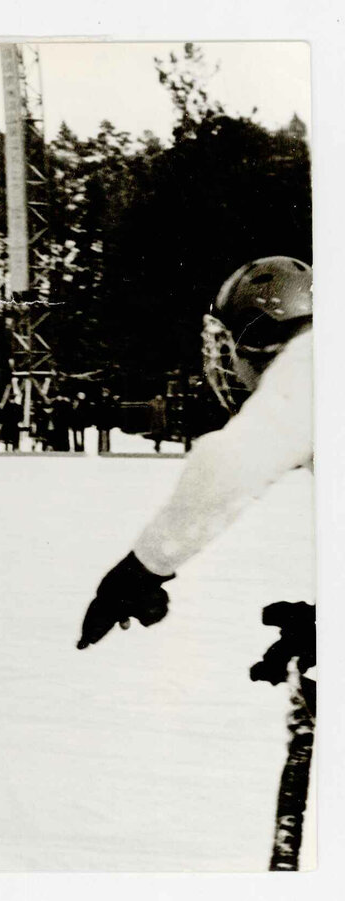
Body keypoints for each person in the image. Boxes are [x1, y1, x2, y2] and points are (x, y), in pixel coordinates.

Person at [75, 257, 313, 865]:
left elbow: (229, 465)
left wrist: (139, 571)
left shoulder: (313, 362)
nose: (225, 366)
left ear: (258, 336)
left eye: (227, 346)